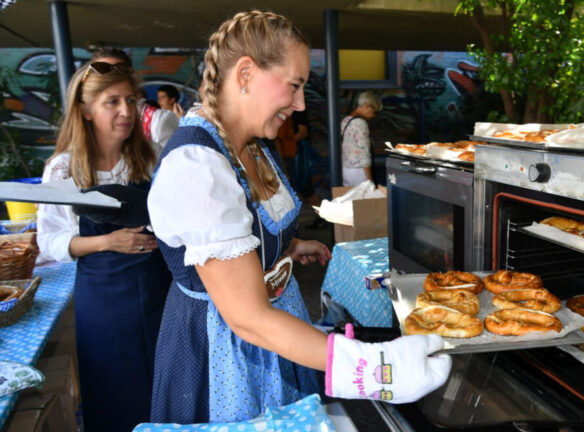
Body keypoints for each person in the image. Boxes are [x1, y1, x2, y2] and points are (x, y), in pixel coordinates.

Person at [146, 10, 450, 424]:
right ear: (246, 74)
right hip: (226, 351)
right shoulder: (197, 167)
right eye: (294, 85)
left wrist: (287, 248)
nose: (301, 103)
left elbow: (243, 235)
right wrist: (373, 368)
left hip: (278, 329)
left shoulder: (253, 144)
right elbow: (248, 318)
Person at [36, 60, 172, 431]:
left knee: (165, 386)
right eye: (112, 101)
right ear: (85, 110)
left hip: (159, 292)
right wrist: (108, 241)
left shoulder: (150, 158)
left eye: (131, 100)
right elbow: (49, 241)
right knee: (116, 391)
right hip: (105, 301)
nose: (126, 111)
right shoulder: (65, 169)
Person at [90, 48, 179, 153]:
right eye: (102, 72)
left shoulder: (157, 121)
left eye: (118, 73)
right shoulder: (85, 121)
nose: (110, 80)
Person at [341, 90, 381, 186]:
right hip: (359, 171)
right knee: (364, 199)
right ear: (367, 106)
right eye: (373, 111)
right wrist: (369, 179)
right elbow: (364, 154)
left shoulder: (345, 120)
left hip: (345, 169)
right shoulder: (361, 123)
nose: (373, 115)